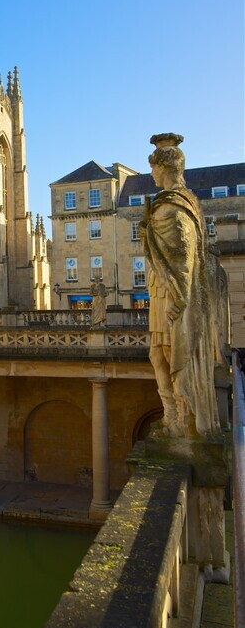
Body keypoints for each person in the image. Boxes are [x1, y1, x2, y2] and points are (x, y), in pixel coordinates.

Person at [139, 133, 220, 439]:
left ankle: (179, 418)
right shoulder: (175, 203)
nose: (151, 174)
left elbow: (183, 255)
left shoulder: (172, 206)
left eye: (154, 169)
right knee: (158, 353)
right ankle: (173, 413)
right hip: (161, 288)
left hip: (169, 292)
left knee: (166, 353)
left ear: (165, 169)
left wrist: (179, 298)